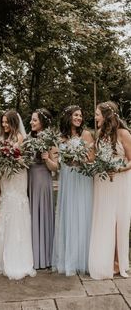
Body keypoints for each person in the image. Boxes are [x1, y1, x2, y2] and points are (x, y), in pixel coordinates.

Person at [89, 101, 131, 279]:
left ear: (106, 116)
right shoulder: (98, 135)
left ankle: (117, 262)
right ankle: (104, 260)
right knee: (104, 220)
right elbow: (94, 159)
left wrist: (119, 169)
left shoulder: (124, 134)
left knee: (118, 221)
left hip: (119, 182)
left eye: (97, 114)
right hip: (102, 182)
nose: (95, 117)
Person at [0, 110, 36, 279]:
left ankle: (18, 258)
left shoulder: (20, 137)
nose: (4, 125)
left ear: (13, 122)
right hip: (6, 176)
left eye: (6, 122)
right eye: (2, 122)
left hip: (17, 176)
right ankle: (2, 257)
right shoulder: (3, 137)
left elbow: (22, 159)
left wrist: (10, 156)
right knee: (6, 209)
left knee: (17, 208)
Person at [52, 105, 94, 276]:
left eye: (80, 115)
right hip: (68, 179)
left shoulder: (86, 134)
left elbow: (92, 157)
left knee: (82, 214)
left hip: (82, 178)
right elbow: (58, 163)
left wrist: (79, 159)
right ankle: (69, 258)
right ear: (68, 116)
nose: (79, 118)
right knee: (69, 215)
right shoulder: (60, 138)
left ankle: (83, 259)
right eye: (76, 115)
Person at [28, 108, 57, 270]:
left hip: (43, 180)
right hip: (30, 180)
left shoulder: (50, 140)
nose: (31, 122)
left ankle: (44, 256)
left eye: (35, 120)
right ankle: (32, 255)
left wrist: (46, 158)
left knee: (42, 214)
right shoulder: (28, 138)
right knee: (31, 215)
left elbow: (56, 166)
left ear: (43, 122)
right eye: (31, 120)